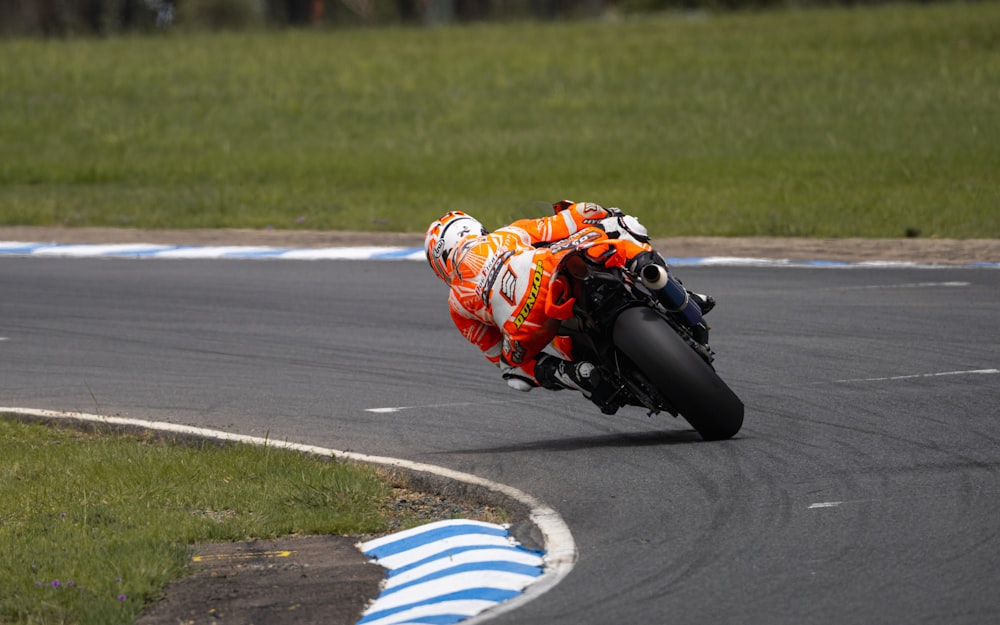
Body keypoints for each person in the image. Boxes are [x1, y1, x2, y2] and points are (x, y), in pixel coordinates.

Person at [424, 200, 713, 404]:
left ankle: (575, 375)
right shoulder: (508, 234)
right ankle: (674, 293)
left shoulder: (456, 304)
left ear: (441, 264)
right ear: (475, 229)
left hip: (528, 328)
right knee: (623, 229)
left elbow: (497, 355)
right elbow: (572, 219)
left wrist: (519, 358)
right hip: (546, 272)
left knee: (513, 369)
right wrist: (600, 212)